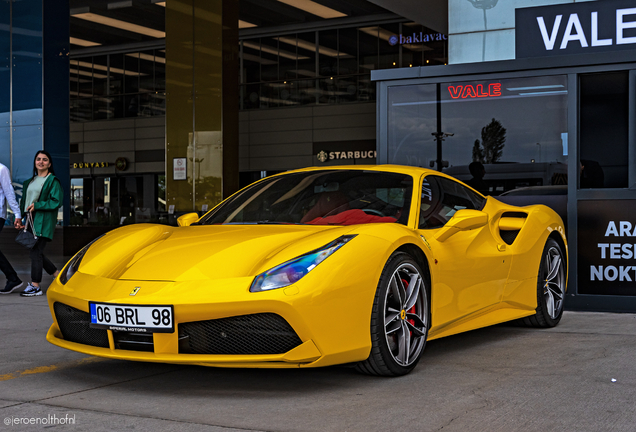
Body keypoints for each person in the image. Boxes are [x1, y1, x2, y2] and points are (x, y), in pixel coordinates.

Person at [19, 151, 63, 297]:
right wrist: (19, 218)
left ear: (49, 164)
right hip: (30, 220)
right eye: (38, 159)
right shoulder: (29, 182)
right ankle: (57, 274)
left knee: (35, 252)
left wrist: (37, 205)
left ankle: (35, 286)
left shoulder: (52, 181)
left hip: (43, 221)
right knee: (36, 252)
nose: (41, 162)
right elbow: (24, 201)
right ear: (35, 162)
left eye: (45, 160)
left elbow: (56, 201)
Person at [0, 162, 24, 294]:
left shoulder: (1, 169)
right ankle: (13, 278)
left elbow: (9, 193)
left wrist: (17, 214)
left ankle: (13, 278)